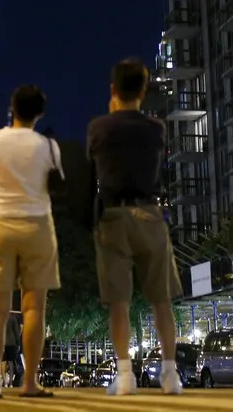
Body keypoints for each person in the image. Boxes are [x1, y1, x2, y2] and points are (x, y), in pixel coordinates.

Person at [87, 59, 183, 396]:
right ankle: (170, 373)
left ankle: (125, 374)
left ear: (113, 90)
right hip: (150, 214)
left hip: (113, 215)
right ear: (144, 90)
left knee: (119, 301)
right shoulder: (156, 128)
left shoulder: (99, 127)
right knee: (161, 299)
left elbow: (93, 169)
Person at [0, 85, 63, 399]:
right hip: (37, 225)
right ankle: (29, 382)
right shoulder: (48, 146)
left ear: (11, 108)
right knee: (33, 308)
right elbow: (55, 184)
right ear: (39, 113)